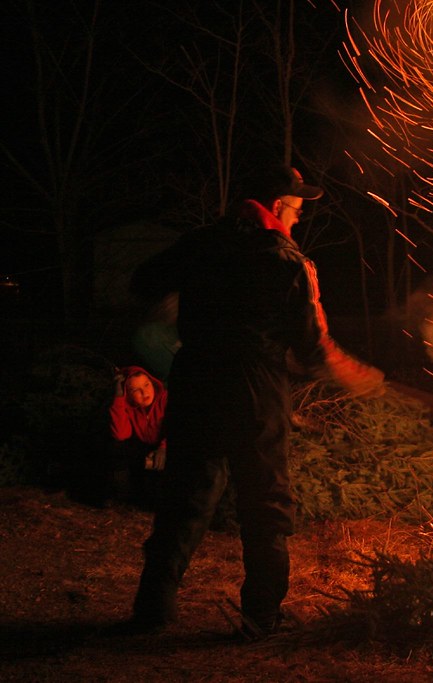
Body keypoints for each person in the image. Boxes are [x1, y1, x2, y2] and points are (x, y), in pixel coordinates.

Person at [127, 164, 385, 636]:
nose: (299, 219)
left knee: (186, 494)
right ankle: (262, 615)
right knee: (265, 501)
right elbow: (311, 346)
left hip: (197, 377)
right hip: (254, 386)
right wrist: (353, 372)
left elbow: (142, 281)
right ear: (277, 207)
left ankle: (152, 610)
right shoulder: (287, 260)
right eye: (297, 209)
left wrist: (177, 305)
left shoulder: (201, 243)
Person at [107, 366, 167, 505]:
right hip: (145, 449)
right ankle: (121, 496)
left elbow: (179, 427)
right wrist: (118, 398)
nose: (144, 392)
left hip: (167, 449)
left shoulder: (165, 399)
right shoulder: (129, 407)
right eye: (135, 390)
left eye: (146, 385)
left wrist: (164, 448)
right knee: (117, 448)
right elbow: (120, 434)